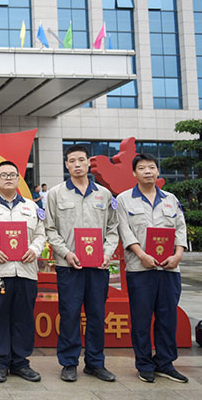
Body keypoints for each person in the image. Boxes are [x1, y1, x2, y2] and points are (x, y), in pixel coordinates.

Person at [44, 144, 119, 383]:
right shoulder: (55, 194)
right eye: (72, 160)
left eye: (81, 160)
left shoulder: (104, 195)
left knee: (97, 314)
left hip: (98, 267)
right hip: (69, 266)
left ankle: (95, 363)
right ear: (66, 164)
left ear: (88, 162)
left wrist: (107, 253)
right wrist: (66, 253)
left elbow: (113, 228)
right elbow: (50, 229)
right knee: (69, 314)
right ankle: (69, 362)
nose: (77, 164)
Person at [116, 153, 188, 383]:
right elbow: (124, 231)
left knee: (168, 318)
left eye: (151, 167)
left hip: (169, 270)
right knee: (141, 319)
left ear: (158, 171)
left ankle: (165, 363)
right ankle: (144, 364)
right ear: (134, 173)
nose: (147, 171)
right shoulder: (124, 200)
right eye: (142, 168)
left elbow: (180, 229)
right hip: (140, 270)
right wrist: (142, 255)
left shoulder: (170, 199)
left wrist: (178, 255)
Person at [0, 161, 45, 383]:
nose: (8, 178)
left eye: (12, 175)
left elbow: (41, 234)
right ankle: (1, 363)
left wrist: (34, 250)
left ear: (18, 179)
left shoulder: (31, 207)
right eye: (3, 175)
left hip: (25, 271)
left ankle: (21, 363)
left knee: (23, 318)